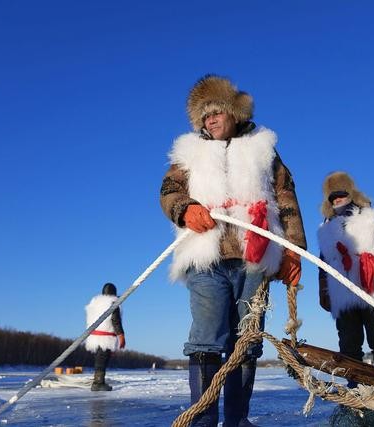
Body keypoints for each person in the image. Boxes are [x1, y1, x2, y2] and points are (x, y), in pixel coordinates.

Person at [160, 75, 307, 426]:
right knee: (206, 338)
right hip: (205, 257)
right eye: (203, 117)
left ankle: (237, 420)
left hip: (253, 258)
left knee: (247, 340)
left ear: (233, 112)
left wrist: (293, 251)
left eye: (216, 113)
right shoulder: (187, 153)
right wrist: (184, 207)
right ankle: (203, 419)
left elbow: (286, 198)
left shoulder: (263, 147)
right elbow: (168, 189)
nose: (210, 121)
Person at [316, 171, 374, 378]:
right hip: (341, 291)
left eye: (341, 195)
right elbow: (323, 263)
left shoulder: (371, 218)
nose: (338, 200)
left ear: (351, 194)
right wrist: (323, 291)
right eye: (333, 198)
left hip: (373, 286)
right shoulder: (326, 230)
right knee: (348, 341)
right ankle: (355, 389)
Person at [84, 282, 125, 391]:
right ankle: (98, 382)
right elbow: (115, 320)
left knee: (99, 359)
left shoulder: (94, 303)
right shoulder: (112, 303)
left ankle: (98, 381)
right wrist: (121, 335)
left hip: (94, 336)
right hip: (105, 337)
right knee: (102, 360)